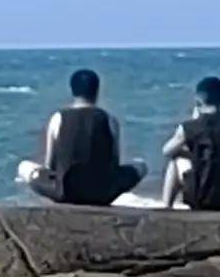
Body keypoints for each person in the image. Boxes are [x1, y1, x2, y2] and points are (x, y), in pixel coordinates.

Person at [29, 69, 142, 209]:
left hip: (65, 192)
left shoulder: (58, 118)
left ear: (72, 90)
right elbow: (114, 161)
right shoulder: (109, 120)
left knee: (24, 167)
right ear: (97, 90)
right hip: (103, 193)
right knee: (141, 166)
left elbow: (50, 163)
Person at [161, 78, 220, 213]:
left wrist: (188, 149)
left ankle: (167, 207)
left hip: (201, 198)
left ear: (198, 101)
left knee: (175, 161)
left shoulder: (190, 127)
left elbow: (167, 151)